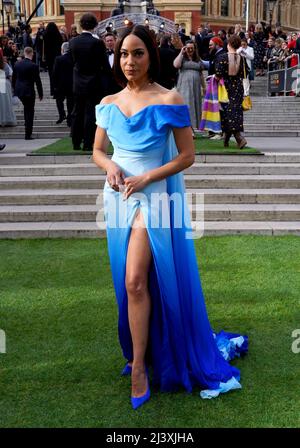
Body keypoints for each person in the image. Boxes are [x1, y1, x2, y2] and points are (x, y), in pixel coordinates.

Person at [93, 25, 248, 410]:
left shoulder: (170, 98)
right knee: (131, 281)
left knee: (134, 282)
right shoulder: (109, 102)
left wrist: (146, 176)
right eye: (125, 54)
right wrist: (110, 166)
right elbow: (97, 149)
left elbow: (186, 156)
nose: (130, 61)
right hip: (117, 198)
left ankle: (141, 367)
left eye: (138, 53)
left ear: (151, 56)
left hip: (155, 197)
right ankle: (140, 353)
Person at [69, 13, 112, 151]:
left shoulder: (73, 42)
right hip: (93, 83)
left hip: (78, 83)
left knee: (76, 112)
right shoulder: (98, 43)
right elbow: (104, 65)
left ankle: (75, 142)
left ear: (81, 25)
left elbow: (72, 62)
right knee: (90, 113)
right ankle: (88, 143)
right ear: (95, 25)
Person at [215, 35, 248, 149]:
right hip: (238, 87)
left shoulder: (222, 57)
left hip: (226, 88)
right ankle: (227, 138)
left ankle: (239, 138)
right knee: (235, 112)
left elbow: (218, 74)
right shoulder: (242, 58)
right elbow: (245, 74)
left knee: (227, 112)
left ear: (228, 44)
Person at [173, 40, 205, 135]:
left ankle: (192, 128)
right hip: (184, 86)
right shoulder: (182, 58)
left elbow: (201, 74)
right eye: (188, 48)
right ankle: (188, 129)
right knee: (187, 106)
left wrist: (204, 87)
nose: (190, 50)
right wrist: (181, 52)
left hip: (195, 87)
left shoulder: (198, 59)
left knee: (194, 106)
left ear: (194, 49)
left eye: (192, 48)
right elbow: (176, 65)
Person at [12, 47, 43, 140]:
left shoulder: (17, 64)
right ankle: (28, 134)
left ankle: (28, 132)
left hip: (19, 90)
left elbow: (14, 78)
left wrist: (15, 89)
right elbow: (38, 81)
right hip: (29, 90)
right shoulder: (33, 66)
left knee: (27, 110)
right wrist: (40, 93)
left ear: (24, 53)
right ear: (32, 54)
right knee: (30, 111)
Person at [52, 42, 74, 126]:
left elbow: (54, 73)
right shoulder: (73, 58)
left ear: (62, 50)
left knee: (59, 101)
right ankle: (69, 119)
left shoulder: (58, 59)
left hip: (60, 85)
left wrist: (54, 85)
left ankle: (62, 114)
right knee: (70, 103)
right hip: (71, 85)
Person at [43, 22, 63, 96]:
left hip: (49, 57)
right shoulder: (58, 35)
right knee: (58, 74)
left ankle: (52, 91)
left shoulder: (45, 35)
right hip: (57, 57)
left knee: (51, 74)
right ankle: (58, 90)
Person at [0, 53, 17, 126]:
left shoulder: (5, 64)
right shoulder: (5, 65)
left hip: (3, 82)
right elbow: (11, 75)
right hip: (5, 83)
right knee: (5, 102)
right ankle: (6, 118)